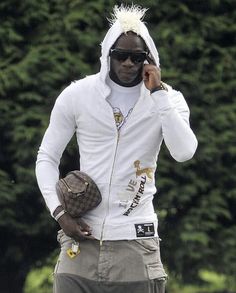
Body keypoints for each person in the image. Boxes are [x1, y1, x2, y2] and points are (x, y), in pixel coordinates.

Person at [35, 4, 198, 293]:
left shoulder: (168, 100)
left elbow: (184, 151)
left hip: (136, 244)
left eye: (136, 57)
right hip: (81, 244)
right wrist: (60, 214)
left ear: (148, 59)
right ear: (107, 55)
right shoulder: (78, 95)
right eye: (120, 55)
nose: (127, 63)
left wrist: (158, 94)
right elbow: (47, 156)